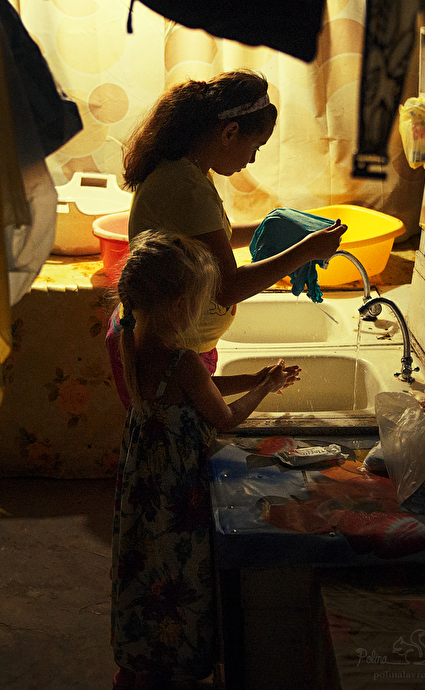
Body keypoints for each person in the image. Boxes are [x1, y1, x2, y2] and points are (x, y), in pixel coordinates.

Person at [110, 231, 300, 690]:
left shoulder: (135, 342)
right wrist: (264, 388)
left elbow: (195, 389)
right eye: (200, 300)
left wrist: (252, 376)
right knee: (179, 568)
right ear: (180, 305)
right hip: (177, 488)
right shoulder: (183, 361)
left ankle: (140, 660)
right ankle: (178, 663)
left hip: (144, 485)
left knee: (146, 565)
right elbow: (225, 418)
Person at [106, 69, 346, 407]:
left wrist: (269, 226)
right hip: (169, 350)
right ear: (230, 132)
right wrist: (306, 251)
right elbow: (228, 287)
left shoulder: (186, 171)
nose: (252, 159)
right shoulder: (186, 187)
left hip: (172, 342)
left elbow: (207, 241)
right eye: (255, 146)